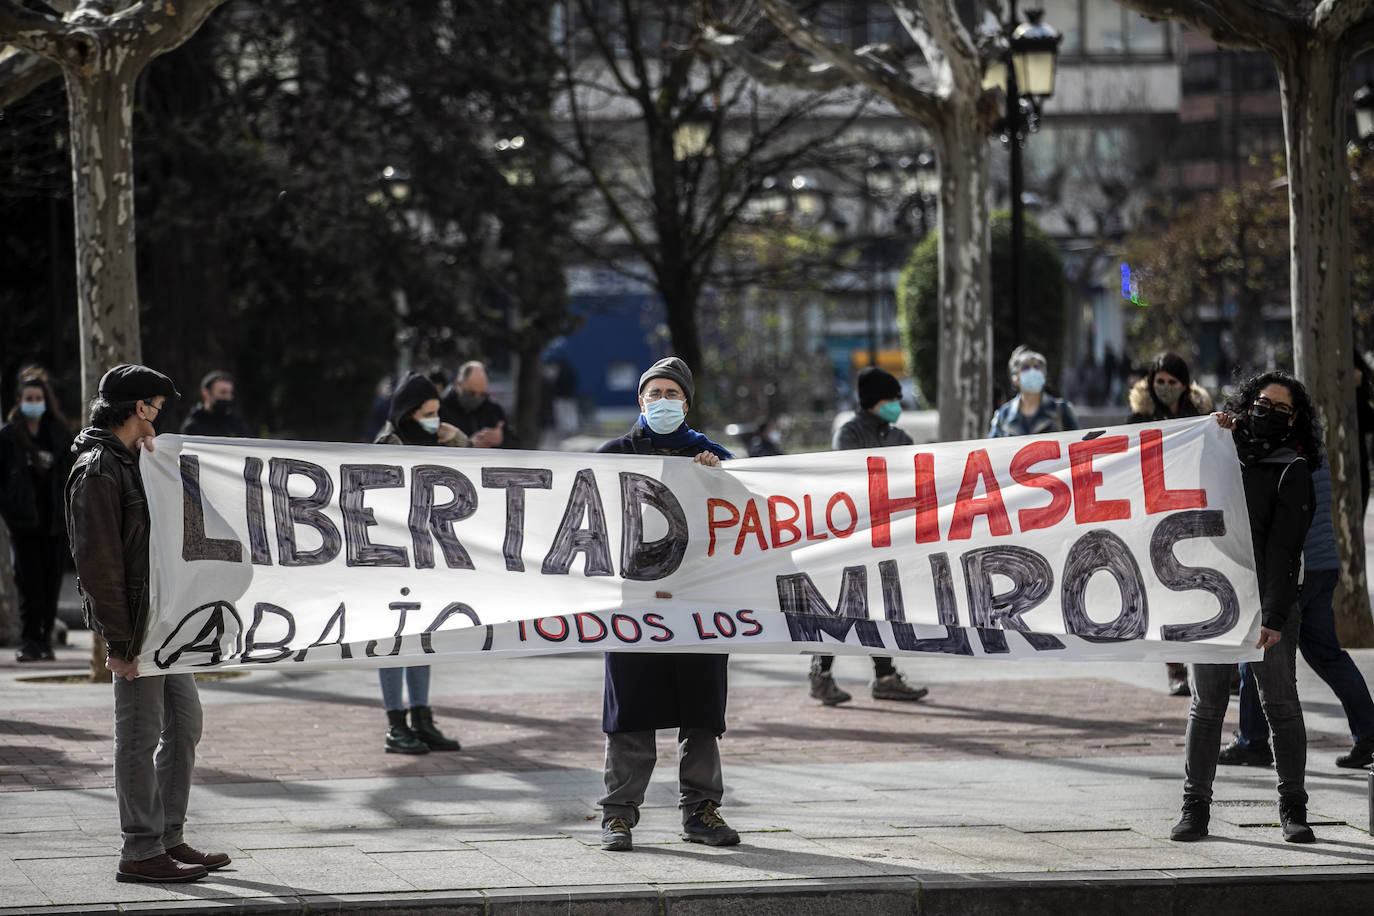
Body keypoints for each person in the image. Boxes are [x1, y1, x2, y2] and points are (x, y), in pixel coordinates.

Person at [65, 364, 230, 883]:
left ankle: (167, 837)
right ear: (140, 408)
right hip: (136, 631)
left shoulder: (135, 461)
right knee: (138, 736)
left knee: (184, 724)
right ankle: (139, 850)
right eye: (158, 406)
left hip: (164, 625)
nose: (161, 415)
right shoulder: (98, 470)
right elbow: (99, 567)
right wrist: (119, 641)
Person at [595, 356, 739, 853]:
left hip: (700, 603)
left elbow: (748, 519)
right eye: (653, 394)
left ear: (687, 403)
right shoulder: (614, 455)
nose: (662, 402)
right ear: (639, 401)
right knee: (631, 709)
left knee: (700, 711)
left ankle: (701, 811)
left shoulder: (714, 457)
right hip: (635, 607)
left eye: (672, 394)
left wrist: (720, 479)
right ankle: (618, 814)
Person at [1171, 370, 1318, 844]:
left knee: (1280, 704)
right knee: (1207, 705)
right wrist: (1207, 435)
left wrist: (1273, 617)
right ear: (1246, 402)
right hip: (1212, 597)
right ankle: (1195, 807)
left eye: (1282, 410)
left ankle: (1293, 808)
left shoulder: (1291, 469)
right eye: (1262, 403)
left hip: (1266, 602)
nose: (1268, 414)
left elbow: (1283, 550)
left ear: (1295, 421)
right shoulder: (1219, 453)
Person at [1218, 457, 1374, 770]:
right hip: (1323, 562)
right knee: (1326, 654)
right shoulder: (1312, 441)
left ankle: (1252, 740)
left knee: (1258, 648)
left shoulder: (1282, 452)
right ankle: (1369, 731)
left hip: (1294, 569)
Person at [809, 367, 930, 706]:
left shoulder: (899, 437)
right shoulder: (848, 435)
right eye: (893, 399)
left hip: (887, 537)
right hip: (852, 536)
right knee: (843, 605)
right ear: (877, 401)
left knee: (878, 606)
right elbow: (848, 480)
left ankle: (885, 676)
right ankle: (823, 672)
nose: (897, 405)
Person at [372, 372, 468, 754]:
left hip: (426, 556)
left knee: (424, 638)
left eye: (437, 411)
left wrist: (456, 440)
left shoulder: (436, 441)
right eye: (428, 412)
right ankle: (396, 724)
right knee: (393, 640)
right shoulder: (386, 445)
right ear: (409, 413)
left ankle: (422, 718)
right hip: (391, 558)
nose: (434, 419)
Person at [1126, 352, 1214, 697]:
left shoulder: (1202, 417)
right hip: (1156, 519)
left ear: (1184, 384)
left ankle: (1214, 667)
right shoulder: (1138, 419)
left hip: (1194, 515)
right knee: (1166, 594)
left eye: (1171, 382)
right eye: (1159, 381)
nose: (1164, 388)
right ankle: (1175, 669)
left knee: (1202, 590)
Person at [0, 369, 74, 661]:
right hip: (23, 523)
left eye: (38, 398)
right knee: (27, 582)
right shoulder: (8, 436)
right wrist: (9, 506)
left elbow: (69, 469)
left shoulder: (57, 432)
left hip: (53, 521)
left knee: (51, 581)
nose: (34, 402)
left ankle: (44, 640)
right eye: (28, 398)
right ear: (19, 401)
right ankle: (29, 640)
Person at [987, 346, 1080, 438]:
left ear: (1044, 376)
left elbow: (1078, 447)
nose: (1032, 372)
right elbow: (993, 450)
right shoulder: (1004, 415)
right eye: (1025, 368)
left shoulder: (1062, 411)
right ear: (1015, 379)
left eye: (1036, 367)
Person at [440, 361, 517, 448]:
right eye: (471, 393)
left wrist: (502, 439)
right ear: (458, 385)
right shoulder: (440, 410)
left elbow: (516, 446)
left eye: (482, 394)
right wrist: (467, 444)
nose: (477, 398)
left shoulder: (493, 410)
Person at [179, 370, 254, 438]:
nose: (228, 397)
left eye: (230, 393)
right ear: (206, 394)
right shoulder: (192, 426)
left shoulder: (236, 424)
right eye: (223, 392)